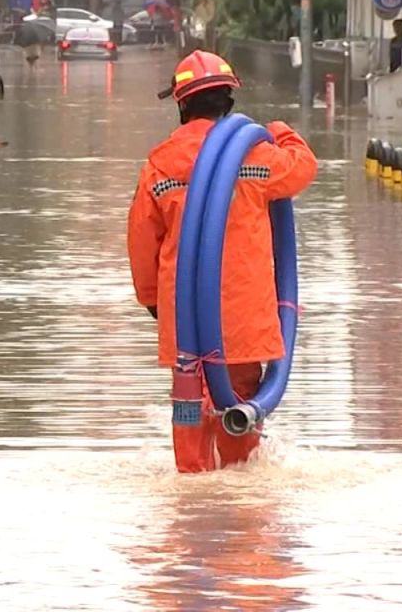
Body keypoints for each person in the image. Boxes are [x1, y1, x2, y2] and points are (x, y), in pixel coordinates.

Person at [128, 51, 317, 473]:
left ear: (181, 104)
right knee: (240, 409)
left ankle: (193, 491)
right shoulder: (257, 156)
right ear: (230, 101)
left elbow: (143, 240)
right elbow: (304, 168)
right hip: (242, 313)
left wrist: (153, 302)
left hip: (186, 315)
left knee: (189, 401)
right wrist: (281, 132)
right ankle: (239, 500)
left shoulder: (161, 161)